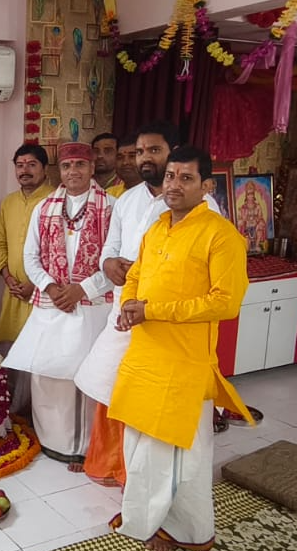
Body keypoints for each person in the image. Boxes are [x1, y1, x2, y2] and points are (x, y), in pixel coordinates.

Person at [108, 145, 254, 551]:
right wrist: (127, 307)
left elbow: (226, 302)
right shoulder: (158, 227)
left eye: (186, 178)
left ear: (207, 186)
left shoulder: (221, 235)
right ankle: (144, 516)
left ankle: (186, 531)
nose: (174, 184)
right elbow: (135, 276)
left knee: (177, 457)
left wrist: (154, 310)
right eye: (171, 176)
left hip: (184, 364)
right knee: (139, 445)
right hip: (145, 356)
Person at [74, 121, 220, 488]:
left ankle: (142, 478)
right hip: (124, 308)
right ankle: (109, 464)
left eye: (154, 150)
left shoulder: (205, 208)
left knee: (149, 399)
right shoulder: (128, 200)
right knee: (110, 387)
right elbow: (111, 249)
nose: (145, 158)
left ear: (173, 152)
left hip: (167, 319)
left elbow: (201, 269)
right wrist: (109, 264)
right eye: (140, 152)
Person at [1, 142, 116, 472]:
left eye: (80, 164)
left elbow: (116, 260)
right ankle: (54, 442)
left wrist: (82, 289)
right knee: (48, 375)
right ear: (59, 171)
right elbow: (30, 257)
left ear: (92, 168)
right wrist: (52, 288)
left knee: (85, 378)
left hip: (92, 307)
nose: (73, 172)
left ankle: (85, 448)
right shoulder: (44, 207)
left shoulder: (111, 207)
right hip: (51, 306)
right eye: (67, 166)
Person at [0, 144, 54, 414]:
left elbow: (59, 251)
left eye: (31, 164)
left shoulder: (56, 200)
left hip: (43, 294)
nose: (25, 170)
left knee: (39, 355)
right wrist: (7, 276)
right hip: (14, 291)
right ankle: (13, 412)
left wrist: (36, 284)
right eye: (20, 165)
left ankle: (35, 415)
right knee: (12, 350)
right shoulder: (8, 202)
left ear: (44, 168)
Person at [92, 132, 126, 197]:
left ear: (118, 155)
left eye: (107, 151)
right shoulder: (83, 182)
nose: (100, 156)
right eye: (96, 151)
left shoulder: (126, 186)